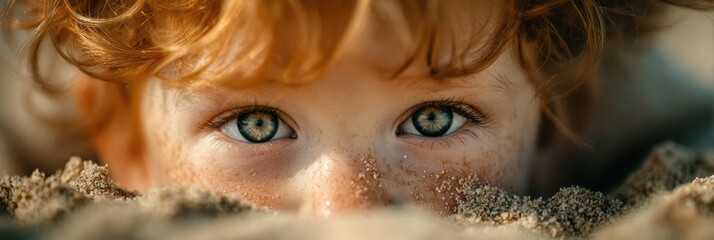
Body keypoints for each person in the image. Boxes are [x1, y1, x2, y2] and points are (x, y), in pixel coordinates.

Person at [1, 0, 711, 216]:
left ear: (560, 122)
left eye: (433, 119)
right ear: (123, 138)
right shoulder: (28, 129)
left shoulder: (659, 119)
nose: (353, 213)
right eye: (257, 124)